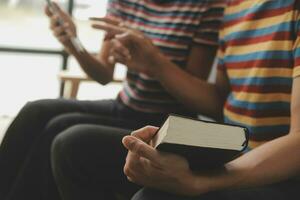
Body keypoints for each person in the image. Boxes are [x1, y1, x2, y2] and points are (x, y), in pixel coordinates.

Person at [51, 0, 300, 200]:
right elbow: (218, 103)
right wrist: (152, 66)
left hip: (278, 170)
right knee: (70, 144)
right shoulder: (234, 7)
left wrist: (204, 181)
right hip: (233, 150)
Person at [0, 0, 225, 200]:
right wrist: (72, 42)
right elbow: (104, 74)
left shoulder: (206, 6)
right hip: (125, 105)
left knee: (58, 130)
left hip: (166, 120)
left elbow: (194, 95)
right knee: (36, 111)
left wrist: (153, 62)